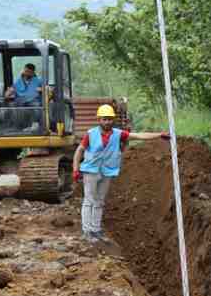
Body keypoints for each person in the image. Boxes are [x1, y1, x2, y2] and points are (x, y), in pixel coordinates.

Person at [72, 104, 169, 243]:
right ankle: (87, 231)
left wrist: (159, 135)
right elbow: (79, 151)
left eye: (109, 119)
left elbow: (138, 136)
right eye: (104, 119)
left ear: (113, 120)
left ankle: (96, 229)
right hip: (91, 171)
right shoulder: (91, 134)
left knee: (99, 201)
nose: (107, 122)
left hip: (107, 170)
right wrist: (76, 169)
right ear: (99, 119)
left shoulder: (118, 134)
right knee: (89, 200)